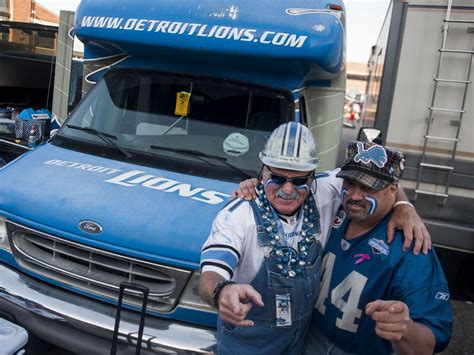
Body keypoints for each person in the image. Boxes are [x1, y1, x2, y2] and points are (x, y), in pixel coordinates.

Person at [198, 122, 430, 354]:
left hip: (299, 344)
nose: (288, 190)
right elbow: (211, 274)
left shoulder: (325, 189)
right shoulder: (238, 214)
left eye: (299, 180)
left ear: (312, 177)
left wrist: (403, 205)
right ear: (263, 170)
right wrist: (221, 291)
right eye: (278, 178)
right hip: (248, 346)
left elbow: (380, 177)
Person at [306, 141, 452, 354]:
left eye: (367, 188)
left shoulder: (410, 246)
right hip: (310, 337)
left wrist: (405, 328)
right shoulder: (334, 209)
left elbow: (429, 342)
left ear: (392, 190)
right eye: (350, 183)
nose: (355, 195)